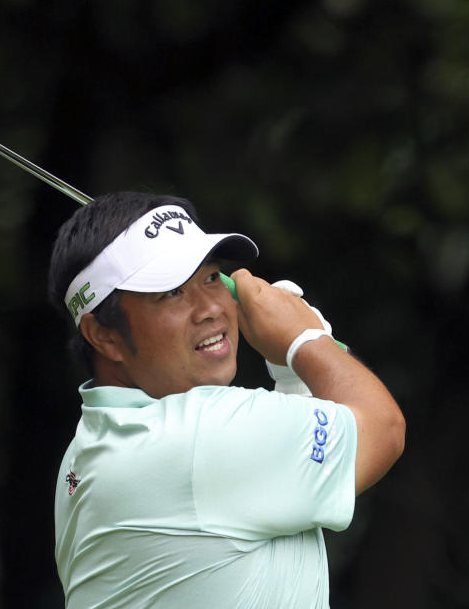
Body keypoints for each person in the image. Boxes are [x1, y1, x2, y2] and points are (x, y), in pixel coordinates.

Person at [47, 191, 405, 608]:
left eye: (212, 277)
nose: (210, 308)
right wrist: (304, 341)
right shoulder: (197, 437)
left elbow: (259, 500)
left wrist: (293, 380)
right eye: (171, 292)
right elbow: (383, 430)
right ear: (103, 335)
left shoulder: (89, 448)